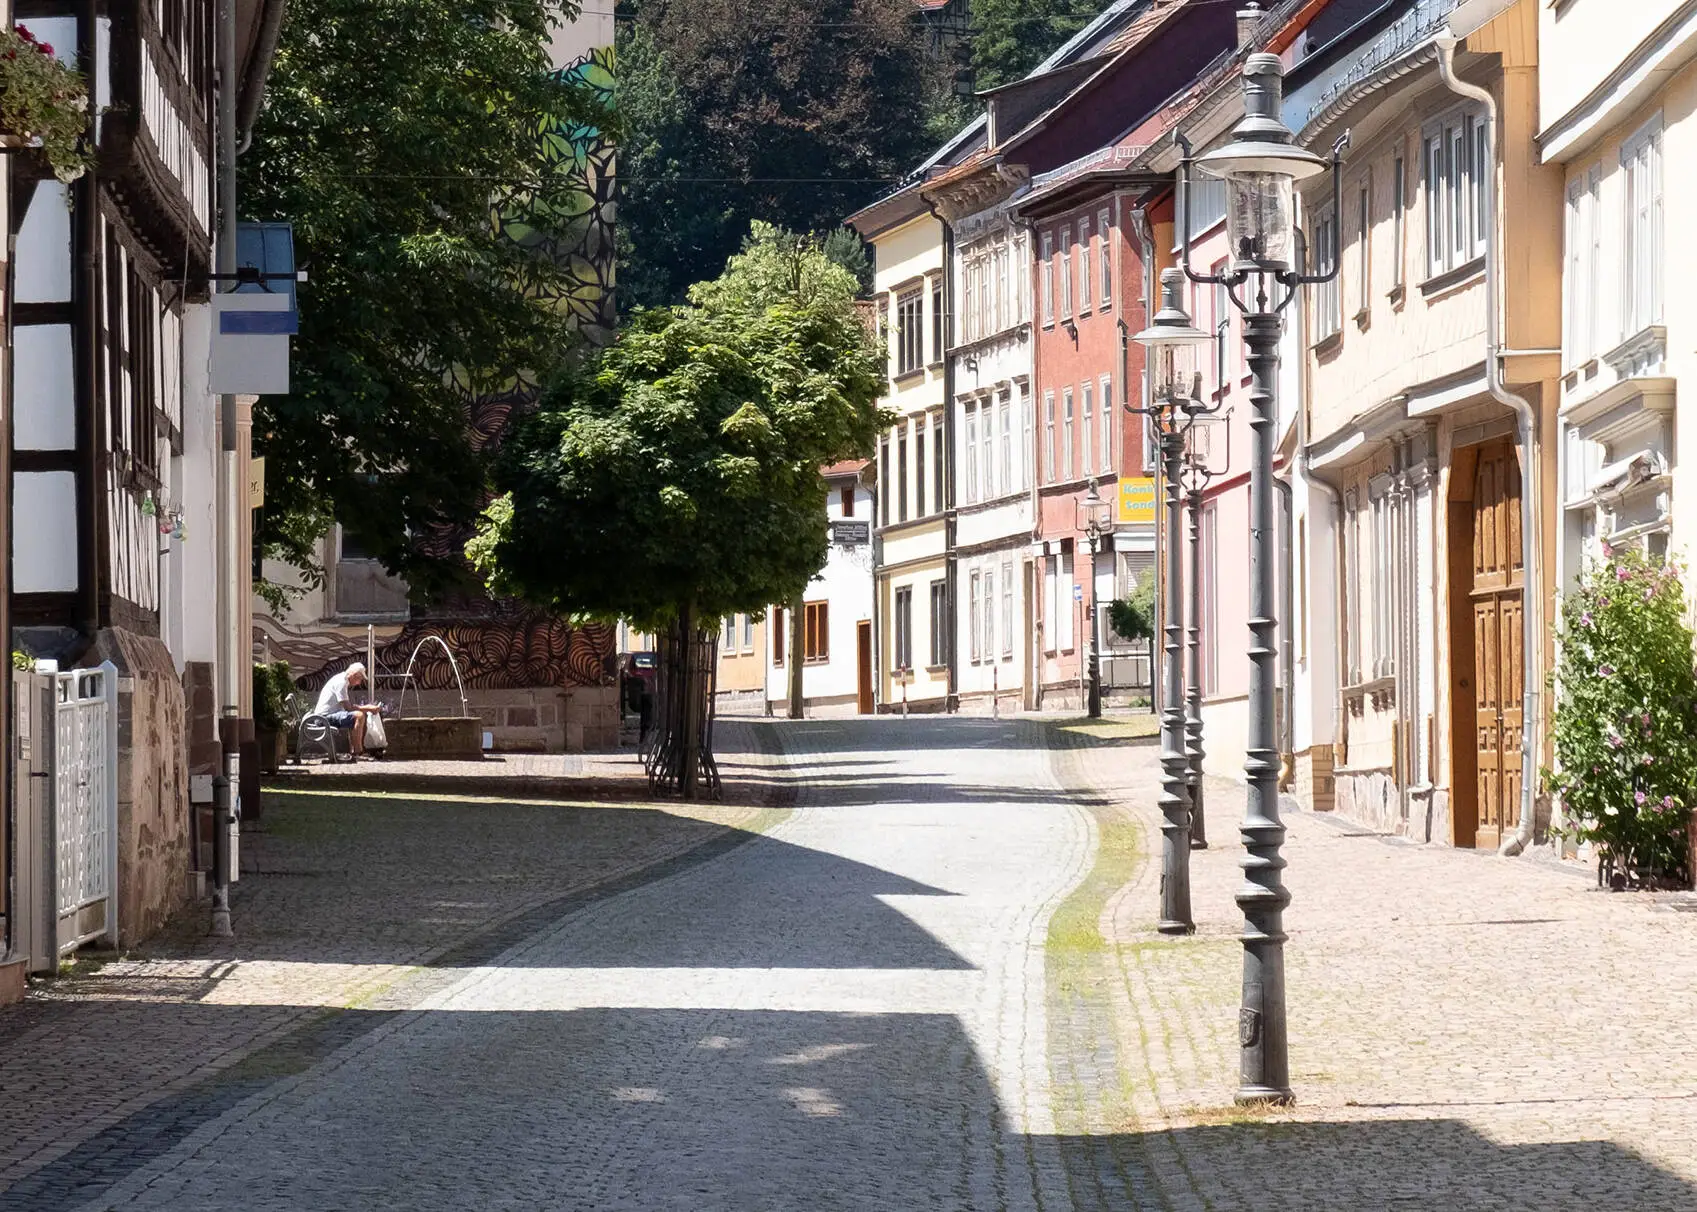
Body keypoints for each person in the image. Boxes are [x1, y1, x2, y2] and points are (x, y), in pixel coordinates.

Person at [314, 662, 382, 759]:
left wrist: (366, 708)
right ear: (355, 675)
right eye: (360, 679)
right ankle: (358, 752)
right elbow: (348, 708)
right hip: (323, 718)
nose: (359, 683)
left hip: (325, 716)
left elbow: (348, 707)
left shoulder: (342, 680)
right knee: (359, 716)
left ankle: (355, 751)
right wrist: (368, 708)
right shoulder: (341, 682)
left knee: (355, 716)